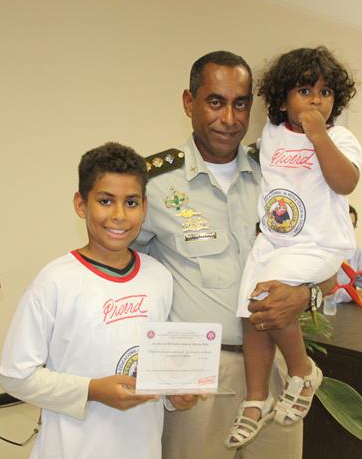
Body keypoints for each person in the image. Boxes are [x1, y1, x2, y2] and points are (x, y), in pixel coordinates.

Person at [135, 51, 331, 459]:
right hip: (196, 373)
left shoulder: (280, 173)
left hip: (275, 366)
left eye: (240, 104)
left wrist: (304, 296)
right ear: (189, 102)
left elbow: (327, 267)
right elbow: (124, 282)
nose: (229, 118)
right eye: (215, 102)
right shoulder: (152, 184)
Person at [0, 143, 193, 459]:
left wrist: (174, 395)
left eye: (131, 202)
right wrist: (91, 390)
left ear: (145, 207)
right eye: (105, 201)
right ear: (81, 204)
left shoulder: (159, 277)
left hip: (141, 448)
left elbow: (158, 366)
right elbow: (14, 376)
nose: (119, 215)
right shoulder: (55, 281)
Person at [229, 46, 361, 448]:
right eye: (305, 91)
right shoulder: (270, 136)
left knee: (270, 294)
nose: (316, 100)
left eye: (325, 92)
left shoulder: (340, 137)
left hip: (318, 242)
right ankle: (256, 399)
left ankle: (302, 371)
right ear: (283, 98)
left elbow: (345, 183)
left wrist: (318, 135)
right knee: (251, 309)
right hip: (274, 241)